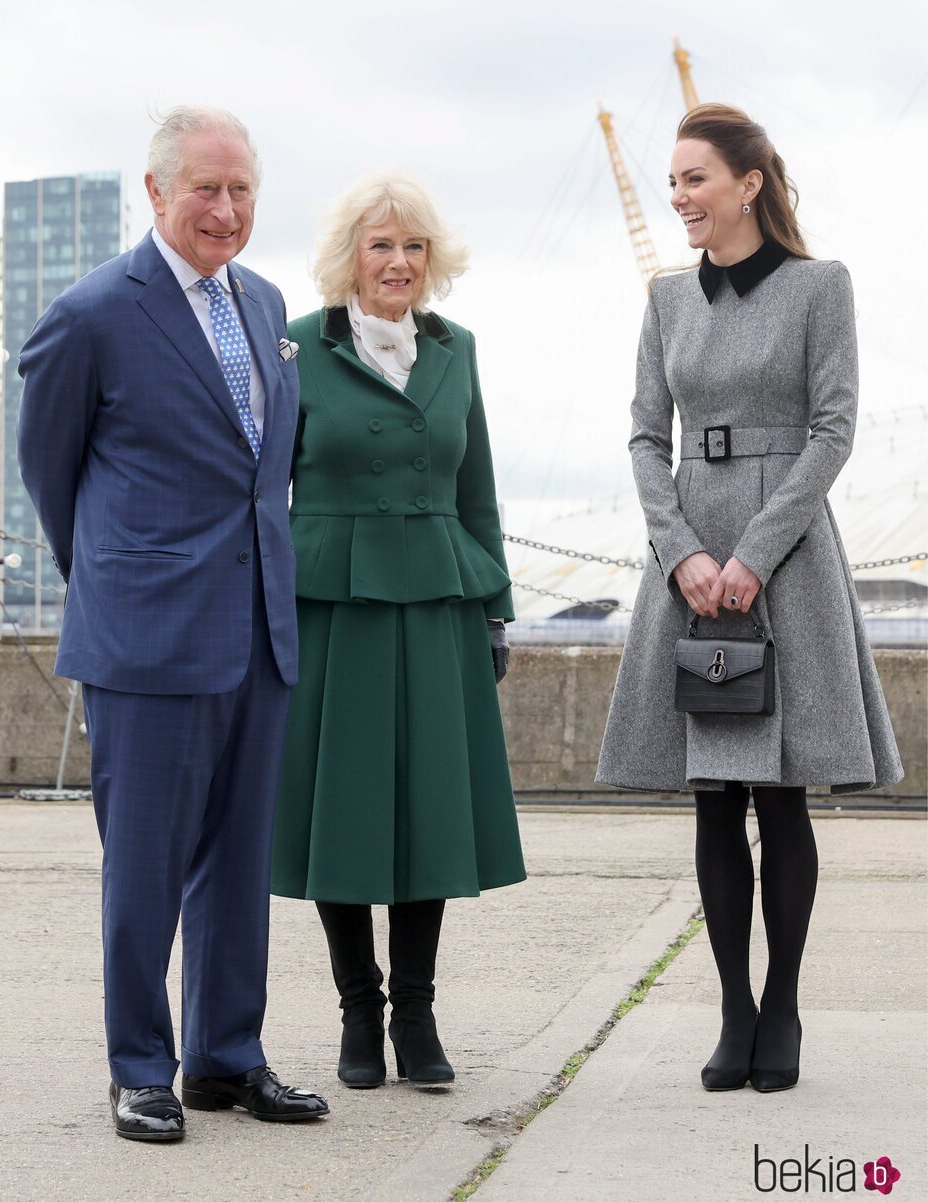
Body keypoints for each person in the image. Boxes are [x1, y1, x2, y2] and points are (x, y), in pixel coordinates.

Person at [17, 106, 329, 1141]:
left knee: (239, 862)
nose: (226, 208)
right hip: (146, 641)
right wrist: (118, 583)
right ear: (155, 191)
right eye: (206, 187)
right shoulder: (93, 313)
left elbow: (263, 474)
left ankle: (225, 1058)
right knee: (143, 867)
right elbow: (49, 475)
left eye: (241, 189)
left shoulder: (267, 303)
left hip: (258, 634)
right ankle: (140, 1067)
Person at [596, 104, 903, 1094]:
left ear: (747, 183)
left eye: (693, 179)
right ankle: (731, 1007)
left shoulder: (821, 286)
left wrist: (756, 552)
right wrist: (682, 550)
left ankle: (783, 1008)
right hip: (688, 554)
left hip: (786, 550)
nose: (677, 197)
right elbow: (646, 436)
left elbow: (831, 427)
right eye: (672, 182)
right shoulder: (663, 299)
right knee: (712, 792)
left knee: (779, 789)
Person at [270, 173, 526, 1090]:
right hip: (330, 607)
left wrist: (496, 608)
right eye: (381, 245)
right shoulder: (294, 348)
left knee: (428, 810)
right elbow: (262, 492)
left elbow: (477, 489)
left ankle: (415, 1014)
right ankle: (356, 1011)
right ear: (350, 258)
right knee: (344, 807)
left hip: (438, 605)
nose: (399, 262)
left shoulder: (458, 351)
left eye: (413, 246)